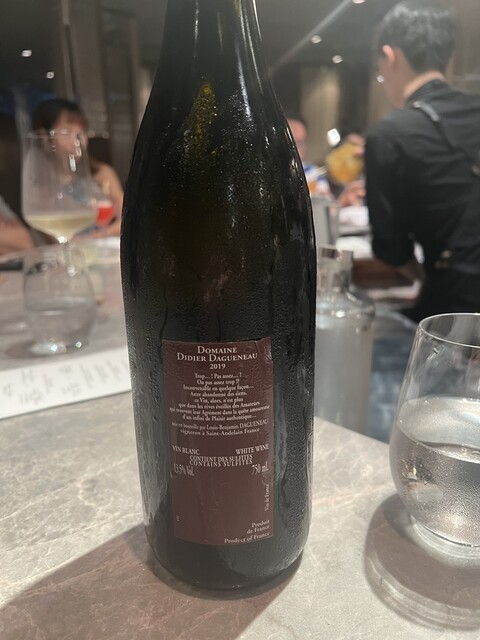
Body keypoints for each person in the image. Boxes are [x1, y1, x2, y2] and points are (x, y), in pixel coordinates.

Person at [365, 0, 480, 321]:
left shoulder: (388, 135)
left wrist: (426, 278)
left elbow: (391, 248)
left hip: (454, 312)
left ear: (391, 56)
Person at [31, 98, 124, 236]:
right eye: (66, 132)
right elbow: (53, 236)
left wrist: (100, 236)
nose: (77, 141)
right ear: (45, 138)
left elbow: (128, 217)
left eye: (81, 133)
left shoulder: (101, 173)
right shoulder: (40, 183)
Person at [287, 116, 365, 207]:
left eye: (300, 143)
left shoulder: (313, 175)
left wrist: (343, 201)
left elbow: (328, 209)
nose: (294, 150)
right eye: (289, 143)